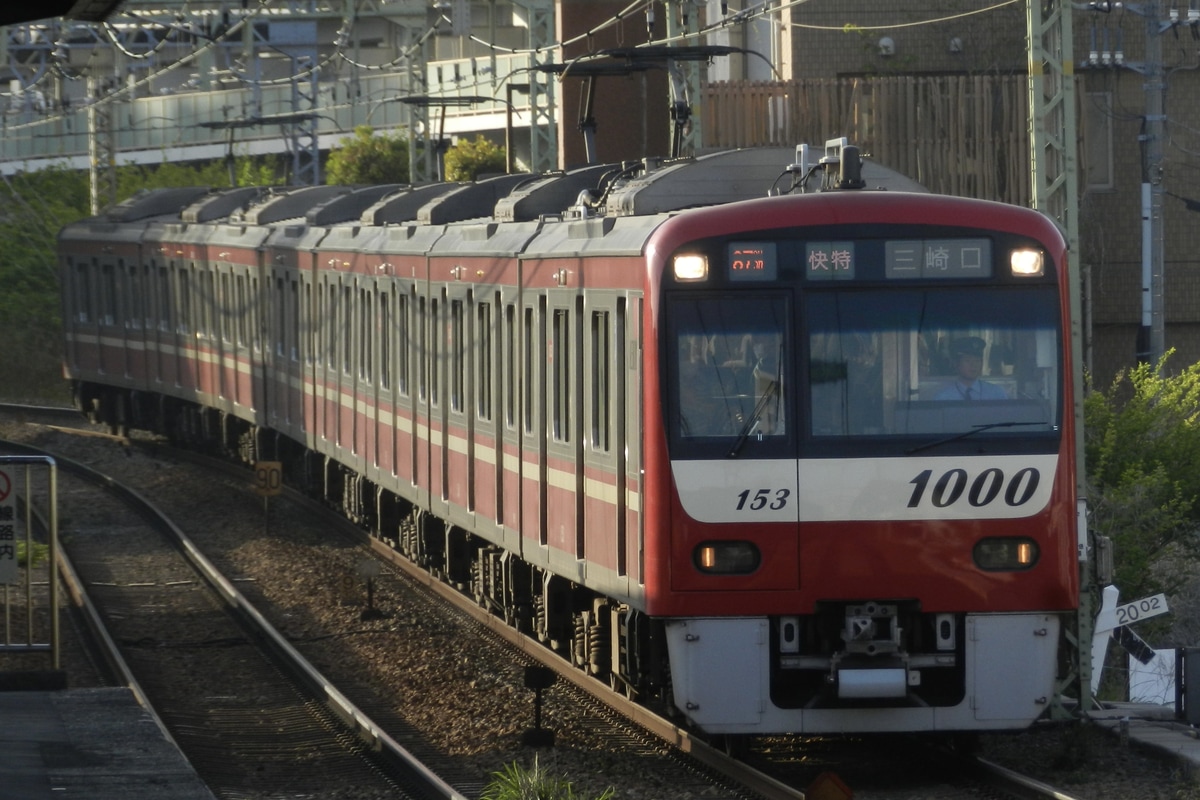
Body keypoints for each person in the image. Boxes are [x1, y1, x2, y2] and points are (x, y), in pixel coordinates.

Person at [933, 336, 1008, 401]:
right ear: (956, 364)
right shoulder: (943, 397)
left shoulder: (996, 394)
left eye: (977, 360)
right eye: (967, 360)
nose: (973, 365)